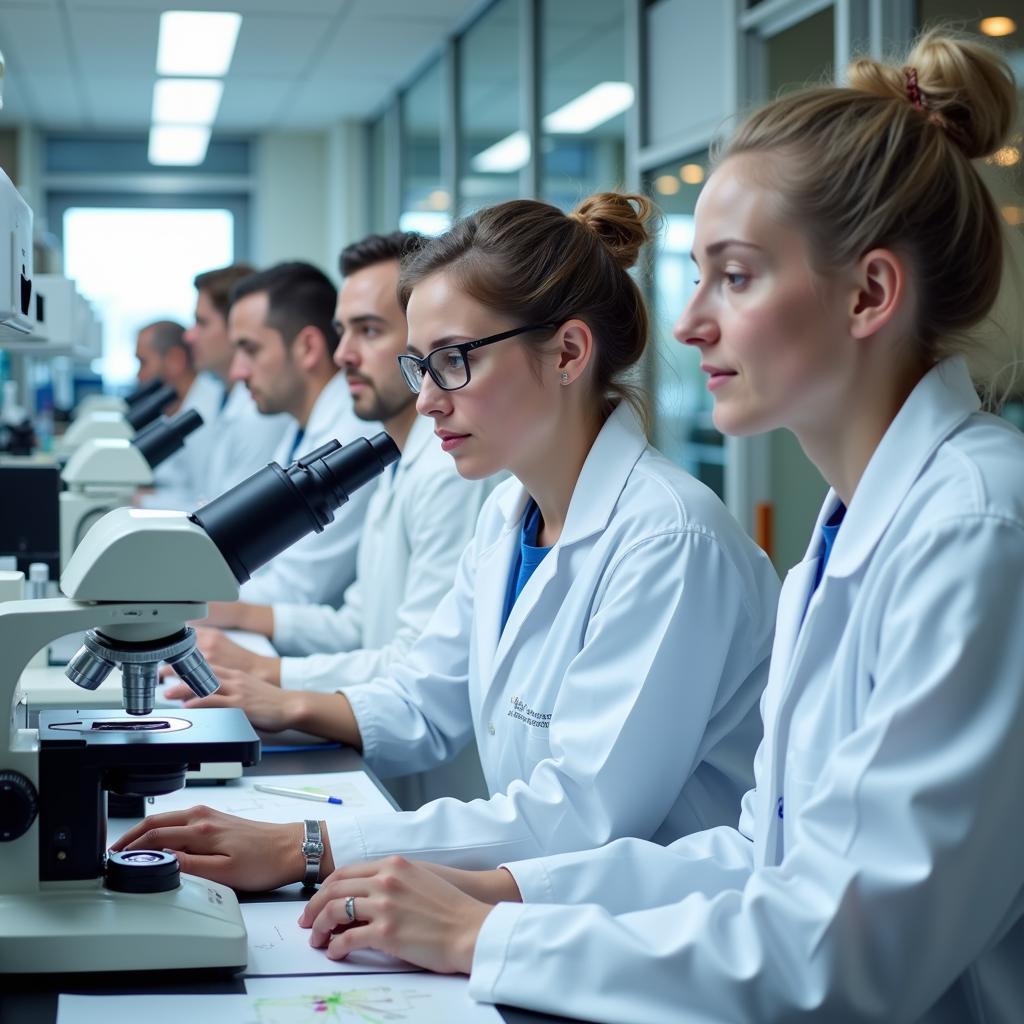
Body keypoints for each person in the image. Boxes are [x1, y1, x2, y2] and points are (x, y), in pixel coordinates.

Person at [270, 30, 1024, 1024]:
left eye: (736, 276)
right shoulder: (846, 535)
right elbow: (758, 856)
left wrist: (484, 932)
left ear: (869, 293)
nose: (687, 322)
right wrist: (504, 895)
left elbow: (849, 951)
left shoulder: (973, 527)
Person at [114, 192, 780, 889]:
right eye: (419, 366)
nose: (428, 398)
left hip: (656, 935)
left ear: (568, 353)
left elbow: (579, 816)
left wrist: (306, 847)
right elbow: (424, 698)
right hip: (553, 905)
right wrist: (278, 703)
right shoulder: (506, 515)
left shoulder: (668, 540)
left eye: (453, 360)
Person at [170, 231, 492, 806]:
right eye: (346, 331)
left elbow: (417, 674)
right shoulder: (402, 461)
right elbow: (357, 623)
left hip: (442, 793)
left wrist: (279, 683)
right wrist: (253, 656)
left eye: (369, 331)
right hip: (403, 774)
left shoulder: (451, 475)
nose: (343, 354)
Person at [220, 261, 379, 609]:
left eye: (251, 349)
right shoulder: (298, 427)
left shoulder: (353, 436)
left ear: (308, 347)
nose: (237, 371)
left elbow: (300, 590)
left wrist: (183, 597)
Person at [182, 264, 290, 504]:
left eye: (202, 323)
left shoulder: (259, 413)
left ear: (235, 325)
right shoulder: (222, 396)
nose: (189, 336)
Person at [134, 319, 222, 509]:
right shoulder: (179, 409)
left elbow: (206, 501)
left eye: (143, 362)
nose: (138, 376)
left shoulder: (203, 413)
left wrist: (143, 501)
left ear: (175, 360)